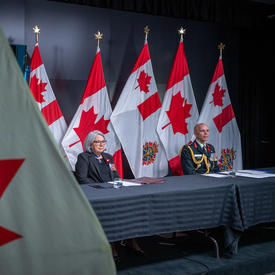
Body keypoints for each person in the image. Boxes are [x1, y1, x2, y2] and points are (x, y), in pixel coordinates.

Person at [75, 131, 144, 261]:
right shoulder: (83, 157)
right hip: (97, 193)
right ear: (90, 143)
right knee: (109, 213)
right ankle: (111, 244)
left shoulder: (108, 157)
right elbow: (82, 179)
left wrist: (118, 184)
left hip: (112, 190)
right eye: (98, 142)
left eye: (103, 141)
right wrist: (103, 188)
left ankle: (131, 239)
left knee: (128, 208)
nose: (101, 144)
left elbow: (115, 175)